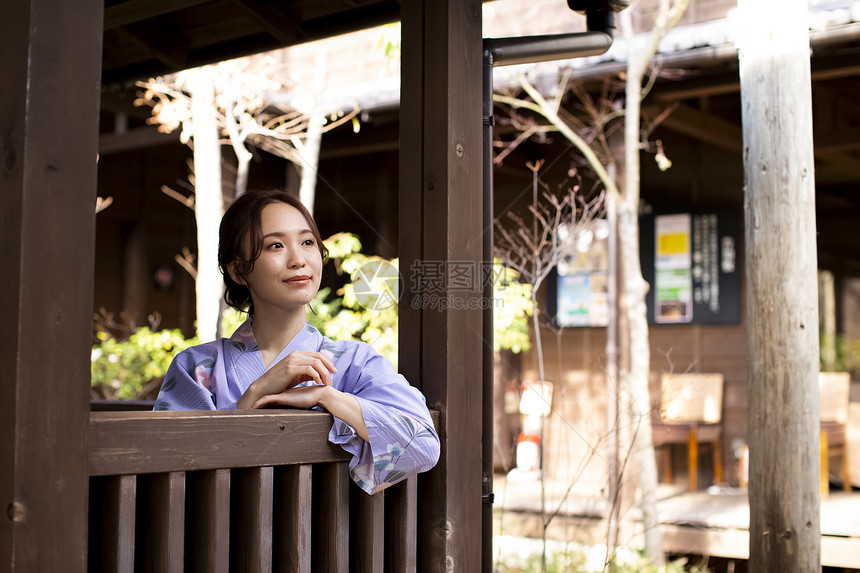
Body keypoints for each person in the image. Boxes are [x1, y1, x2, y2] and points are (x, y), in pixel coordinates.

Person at [153, 189, 439, 494]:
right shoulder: (196, 367)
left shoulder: (354, 362)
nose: (299, 259)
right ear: (238, 271)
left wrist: (327, 398)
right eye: (276, 245)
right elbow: (164, 471)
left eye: (307, 242)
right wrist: (255, 394)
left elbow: (422, 446)